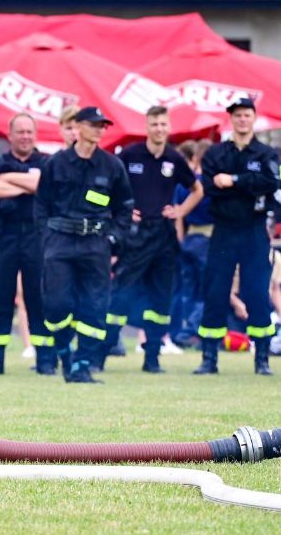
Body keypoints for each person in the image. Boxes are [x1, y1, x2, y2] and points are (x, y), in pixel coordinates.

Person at [34, 106, 134, 383]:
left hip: (95, 244)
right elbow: (40, 205)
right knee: (57, 304)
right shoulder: (55, 163)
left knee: (95, 305)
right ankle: (64, 351)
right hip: (60, 242)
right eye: (93, 124)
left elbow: (125, 207)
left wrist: (113, 238)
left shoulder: (112, 166)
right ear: (77, 127)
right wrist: (46, 238)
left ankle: (83, 364)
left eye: (102, 126)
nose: (99, 130)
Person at [98, 106, 201, 374]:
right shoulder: (129, 154)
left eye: (163, 124)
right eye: (154, 124)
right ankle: (102, 354)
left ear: (169, 127)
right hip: (135, 237)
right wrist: (120, 211)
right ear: (146, 127)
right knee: (120, 295)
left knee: (160, 299)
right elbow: (106, 188)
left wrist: (180, 211)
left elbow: (197, 190)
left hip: (164, 237)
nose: (159, 129)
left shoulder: (174, 158)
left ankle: (152, 357)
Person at [195, 98, 279, 376]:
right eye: (238, 115)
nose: (242, 119)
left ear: (254, 118)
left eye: (247, 115)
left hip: (254, 230)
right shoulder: (216, 153)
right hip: (224, 231)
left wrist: (234, 181)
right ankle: (209, 358)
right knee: (216, 291)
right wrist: (248, 186)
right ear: (231, 119)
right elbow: (209, 186)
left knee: (257, 292)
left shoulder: (266, 153)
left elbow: (271, 182)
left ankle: (262, 359)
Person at [0, 114, 51, 374]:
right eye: (20, 132)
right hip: (3, 237)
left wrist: (7, 179)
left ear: (35, 134)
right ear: (9, 136)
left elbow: (44, 186)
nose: (25, 136)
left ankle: (45, 360)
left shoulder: (46, 162)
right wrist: (26, 187)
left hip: (37, 237)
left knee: (39, 297)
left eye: (29, 131)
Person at [171, 140, 212, 347]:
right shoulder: (210, 185)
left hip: (188, 239)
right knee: (207, 289)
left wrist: (180, 239)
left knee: (188, 290)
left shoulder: (183, 185)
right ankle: (193, 330)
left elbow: (178, 214)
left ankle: (183, 331)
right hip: (208, 238)